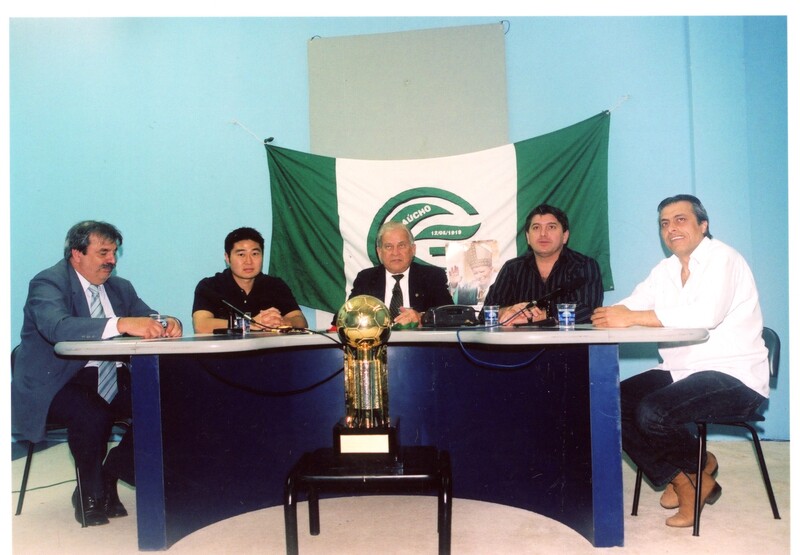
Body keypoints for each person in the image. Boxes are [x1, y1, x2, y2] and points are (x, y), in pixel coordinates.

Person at [591, 194, 769, 528]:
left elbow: (706, 315)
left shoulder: (724, 259)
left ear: (703, 225)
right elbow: (632, 305)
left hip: (734, 373)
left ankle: (693, 479)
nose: (671, 228)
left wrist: (632, 318)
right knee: (606, 402)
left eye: (680, 219)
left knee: (653, 412)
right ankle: (690, 476)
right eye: (664, 223)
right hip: (682, 371)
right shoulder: (665, 269)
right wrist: (604, 314)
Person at [11, 220, 183, 526]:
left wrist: (169, 322)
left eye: (114, 252)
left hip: (112, 378)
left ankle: (110, 473)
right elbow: (58, 327)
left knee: (167, 402)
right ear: (76, 254)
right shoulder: (48, 283)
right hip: (58, 381)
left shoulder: (120, 287)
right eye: (103, 252)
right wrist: (122, 323)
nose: (112, 260)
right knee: (92, 413)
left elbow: (149, 316)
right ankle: (90, 493)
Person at [483, 204, 603, 326]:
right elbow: (485, 313)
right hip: (522, 338)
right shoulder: (512, 269)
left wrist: (536, 316)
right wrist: (508, 311)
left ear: (565, 236)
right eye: (536, 228)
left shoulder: (583, 265)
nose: (543, 234)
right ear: (528, 237)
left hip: (567, 338)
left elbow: (589, 310)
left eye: (551, 227)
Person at [192, 227, 307, 333]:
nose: (249, 261)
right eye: (241, 254)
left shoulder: (275, 285)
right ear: (227, 258)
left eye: (255, 254)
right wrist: (248, 324)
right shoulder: (210, 286)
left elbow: (301, 321)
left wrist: (282, 322)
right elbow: (201, 326)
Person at [349, 221, 453, 326]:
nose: (395, 253)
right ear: (379, 252)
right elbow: (347, 318)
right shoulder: (365, 279)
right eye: (388, 247)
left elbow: (450, 316)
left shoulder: (432, 277)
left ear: (413, 249)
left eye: (401, 245)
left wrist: (422, 318)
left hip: (418, 337)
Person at [448, 241, 497, 307]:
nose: (479, 276)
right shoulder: (470, 287)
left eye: (482, 271)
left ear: (491, 270)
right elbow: (453, 303)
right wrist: (454, 285)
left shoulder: (498, 286)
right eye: (475, 273)